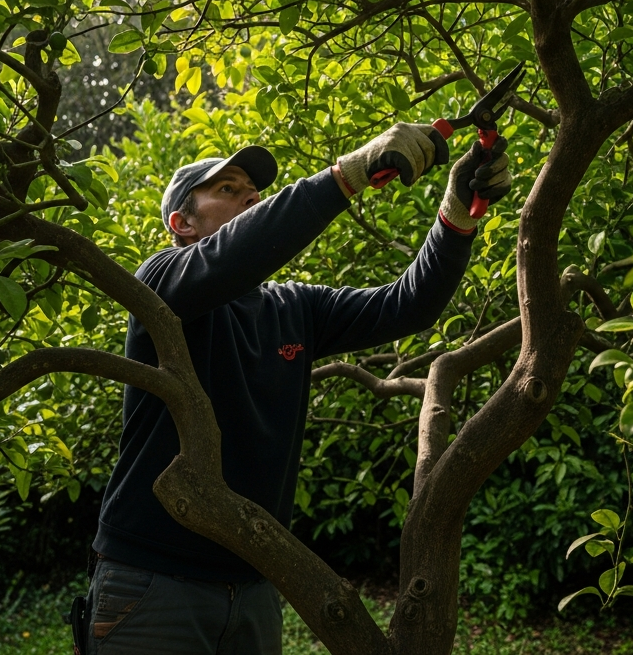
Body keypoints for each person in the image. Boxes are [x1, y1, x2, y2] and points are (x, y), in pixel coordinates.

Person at [86, 122, 514, 654]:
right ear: (182, 223)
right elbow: (242, 250)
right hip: (152, 581)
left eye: (254, 191)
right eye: (227, 188)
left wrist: (456, 213)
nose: (251, 197)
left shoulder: (294, 307)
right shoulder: (158, 283)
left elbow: (408, 304)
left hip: (256, 582)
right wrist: (349, 173)